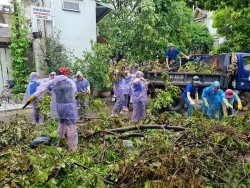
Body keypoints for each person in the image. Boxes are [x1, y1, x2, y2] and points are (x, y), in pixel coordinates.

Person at [23, 67, 78, 150]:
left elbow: (40, 91)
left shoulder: (52, 82)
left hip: (59, 106)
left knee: (62, 123)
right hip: (69, 106)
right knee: (71, 126)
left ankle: (60, 140)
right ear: (67, 73)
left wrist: (28, 101)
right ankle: (72, 148)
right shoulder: (70, 82)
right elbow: (74, 92)